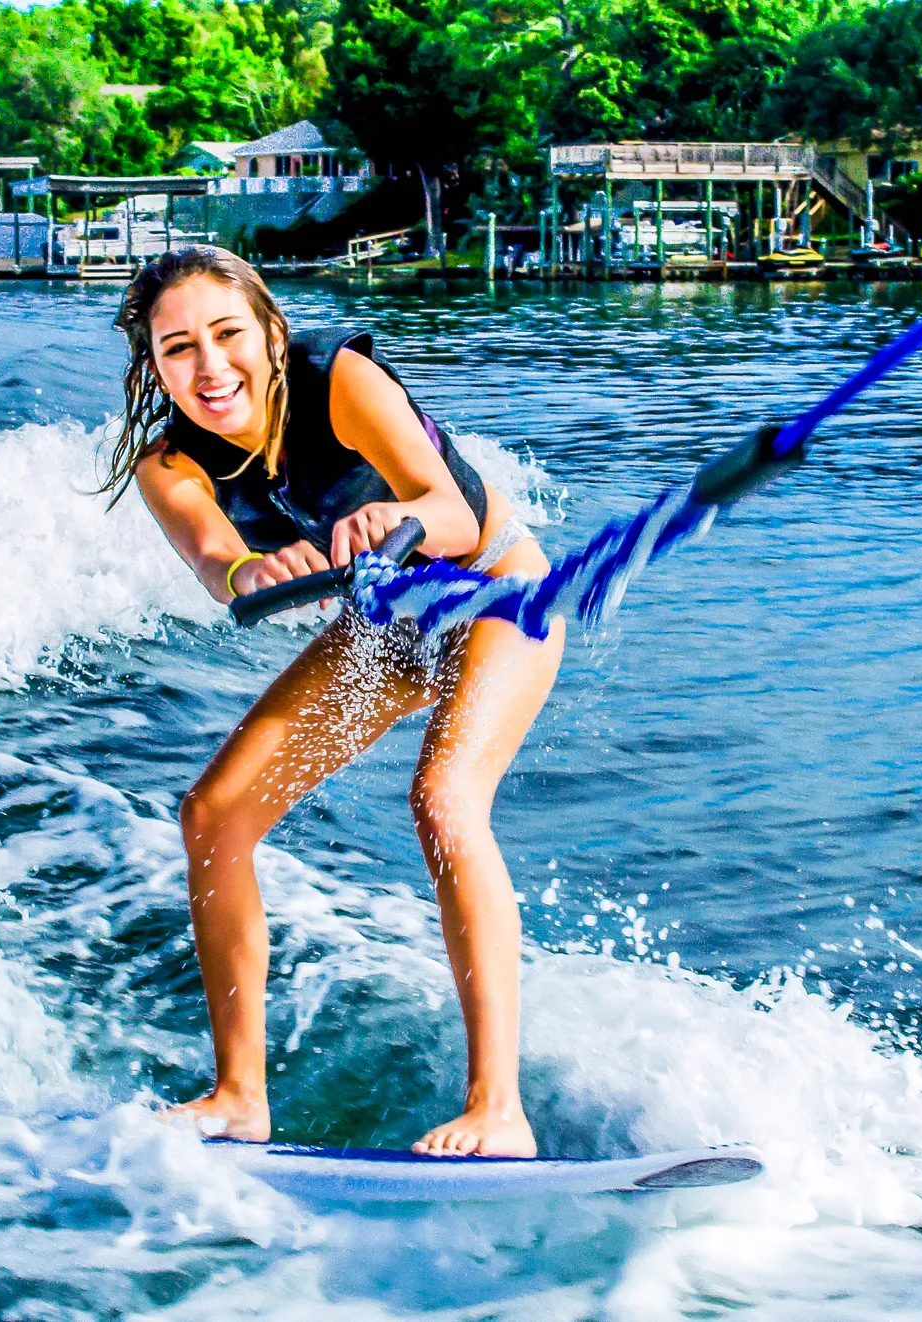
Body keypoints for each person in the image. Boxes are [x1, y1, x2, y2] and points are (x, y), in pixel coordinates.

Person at [105, 246, 563, 1158]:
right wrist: (252, 565)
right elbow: (216, 565)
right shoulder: (169, 465)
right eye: (178, 348)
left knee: (443, 798)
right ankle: (239, 1095)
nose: (209, 367)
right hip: (388, 625)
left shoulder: (340, 379)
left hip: (497, 589)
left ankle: (498, 1110)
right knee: (214, 815)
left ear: (272, 334)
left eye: (228, 334)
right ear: (152, 366)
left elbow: (456, 513)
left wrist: (392, 522)